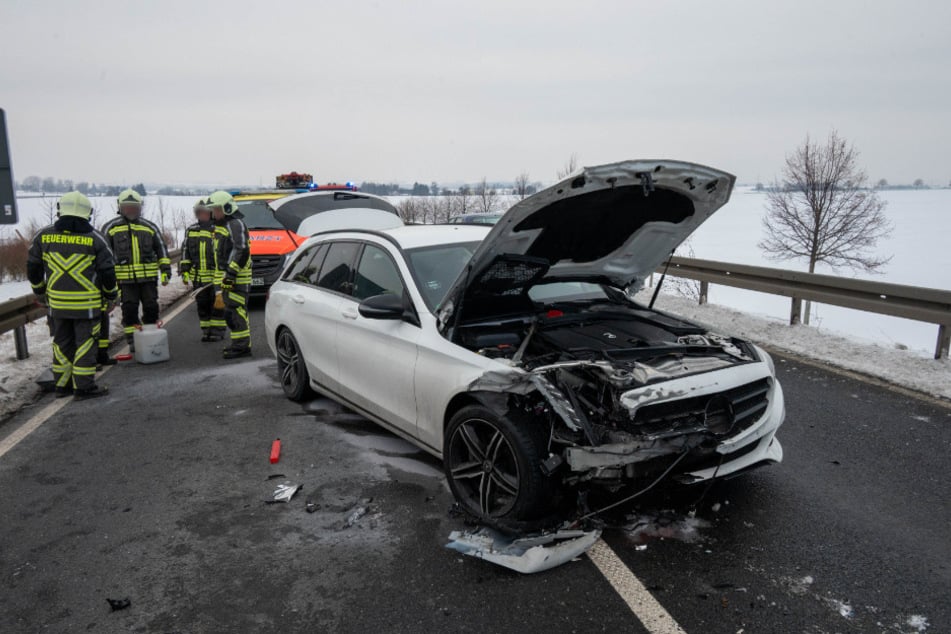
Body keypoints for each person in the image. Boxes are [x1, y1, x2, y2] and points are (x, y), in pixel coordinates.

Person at [27, 191, 118, 399]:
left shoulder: (43, 236)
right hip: (87, 306)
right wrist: (111, 296)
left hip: (58, 305)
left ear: (60, 210)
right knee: (86, 344)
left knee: (62, 343)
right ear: (88, 213)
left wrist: (40, 292)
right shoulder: (95, 239)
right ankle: (84, 387)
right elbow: (107, 272)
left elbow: (32, 267)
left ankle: (62, 385)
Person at [100, 188, 171, 351]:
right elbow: (103, 256)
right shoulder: (110, 228)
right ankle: (133, 340)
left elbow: (162, 249)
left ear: (140, 208)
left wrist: (166, 270)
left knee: (151, 307)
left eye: (134, 207)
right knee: (129, 309)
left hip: (148, 279)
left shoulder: (149, 227)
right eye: (127, 207)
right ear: (120, 208)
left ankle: (151, 337)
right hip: (125, 281)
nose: (131, 210)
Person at [207, 190, 252, 359]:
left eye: (217, 209)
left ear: (226, 208)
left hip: (237, 278)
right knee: (231, 312)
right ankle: (239, 345)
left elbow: (242, 250)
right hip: (229, 277)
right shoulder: (222, 226)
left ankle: (242, 347)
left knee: (236, 312)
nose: (214, 213)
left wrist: (231, 275)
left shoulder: (235, 223)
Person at [179, 197, 226, 341]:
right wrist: (185, 270)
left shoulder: (218, 229)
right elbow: (185, 250)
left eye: (204, 212)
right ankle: (206, 330)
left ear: (211, 213)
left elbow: (223, 252)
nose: (202, 215)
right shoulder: (191, 230)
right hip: (198, 278)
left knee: (217, 305)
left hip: (215, 278)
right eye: (199, 213)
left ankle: (217, 332)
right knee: (202, 305)